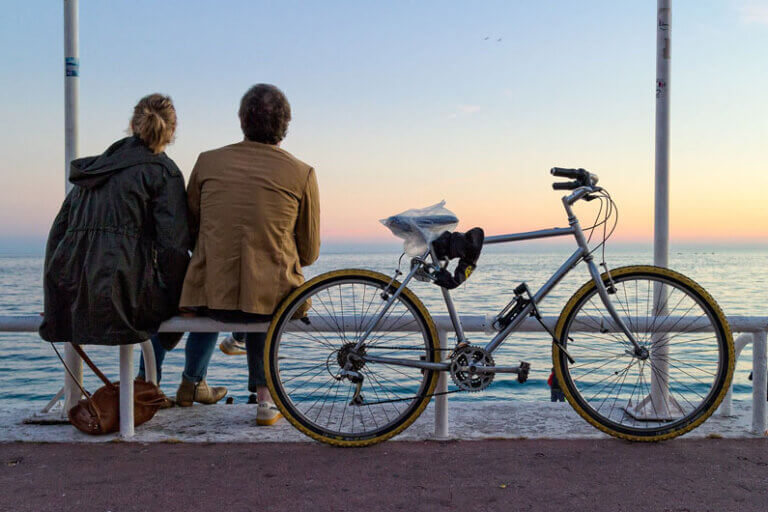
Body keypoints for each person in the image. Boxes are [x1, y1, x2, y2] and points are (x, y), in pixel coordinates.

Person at [179, 83, 320, 425]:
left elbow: (190, 227)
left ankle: (188, 384)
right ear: (285, 125)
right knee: (265, 295)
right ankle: (265, 402)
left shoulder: (207, 161)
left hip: (207, 295)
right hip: (267, 301)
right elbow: (310, 251)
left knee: (218, 288)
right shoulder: (302, 173)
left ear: (242, 119)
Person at [39, 94, 192, 361]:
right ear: (172, 132)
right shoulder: (165, 173)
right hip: (126, 300)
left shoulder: (94, 170)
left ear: (132, 125)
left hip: (74, 297)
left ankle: (145, 383)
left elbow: (57, 237)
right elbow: (173, 250)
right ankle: (172, 380)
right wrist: (182, 302)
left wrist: (54, 301)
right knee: (206, 304)